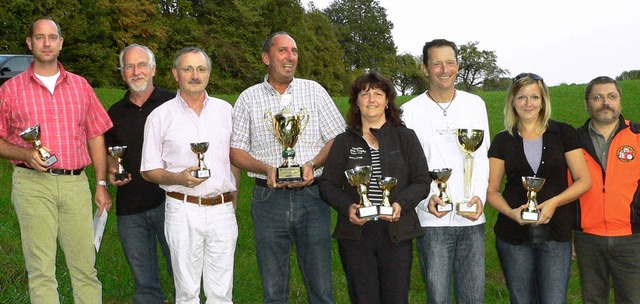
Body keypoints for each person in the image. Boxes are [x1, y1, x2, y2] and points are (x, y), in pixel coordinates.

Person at [0, 17, 112, 303]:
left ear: (61, 43)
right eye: (40, 37)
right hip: (31, 185)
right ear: (29, 43)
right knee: (41, 270)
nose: (46, 43)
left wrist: (100, 184)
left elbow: (96, 135)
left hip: (75, 185)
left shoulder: (80, 86)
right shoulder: (10, 90)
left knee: (86, 268)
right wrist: (26, 153)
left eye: (52, 37)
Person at [230, 31, 345, 303]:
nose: (290, 56)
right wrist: (267, 169)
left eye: (294, 51)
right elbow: (236, 151)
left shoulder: (314, 91)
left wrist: (313, 164)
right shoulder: (248, 98)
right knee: (273, 289)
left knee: (321, 287)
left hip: (313, 198)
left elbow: (337, 137)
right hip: (268, 200)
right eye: (282, 51)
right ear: (266, 57)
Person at [318, 72, 430, 303]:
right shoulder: (344, 141)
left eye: (378, 94)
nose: (371, 99)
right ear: (356, 102)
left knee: (396, 298)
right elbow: (327, 185)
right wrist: (348, 207)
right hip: (357, 235)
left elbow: (422, 181)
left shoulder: (405, 137)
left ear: (387, 101)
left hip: (396, 232)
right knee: (363, 298)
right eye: (365, 93)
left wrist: (400, 204)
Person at [140, 47, 239, 303]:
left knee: (222, 292)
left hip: (222, 209)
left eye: (201, 69)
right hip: (182, 208)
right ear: (175, 74)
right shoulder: (160, 116)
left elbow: (235, 160)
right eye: (188, 69)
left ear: (209, 74)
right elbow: (148, 170)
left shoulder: (226, 111)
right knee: (186, 292)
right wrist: (178, 178)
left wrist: (233, 200)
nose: (195, 75)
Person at [486, 73, 591, 303]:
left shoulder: (564, 133)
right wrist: (511, 213)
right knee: (522, 299)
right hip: (513, 235)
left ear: (543, 100)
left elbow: (584, 180)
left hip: (556, 232)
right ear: (512, 101)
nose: (528, 103)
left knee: (554, 300)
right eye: (521, 97)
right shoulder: (502, 140)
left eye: (534, 97)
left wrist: (554, 202)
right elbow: (492, 190)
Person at [400, 38, 490, 303]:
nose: (444, 69)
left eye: (450, 62)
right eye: (436, 63)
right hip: (433, 220)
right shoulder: (409, 111)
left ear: (458, 66)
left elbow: (483, 157)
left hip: (471, 218)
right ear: (424, 68)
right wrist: (426, 201)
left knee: (473, 297)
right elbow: (407, 167)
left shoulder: (476, 105)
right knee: (438, 297)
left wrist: (480, 199)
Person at [104, 44, 175, 303]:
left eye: (142, 65)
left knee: (183, 276)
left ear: (154, 69)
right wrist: (112, 167)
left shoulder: (173, 104)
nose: (137, 72)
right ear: (122, 73)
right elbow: (111, 154)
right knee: (144, 284)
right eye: (129, 67)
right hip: (130, 208)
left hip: (171, 203)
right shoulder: (114, 112)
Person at [573, 76, 640, 303]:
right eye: (597, 97)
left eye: (611, 96)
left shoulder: (638, 136)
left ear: (620, 101)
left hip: (632, 238)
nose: (605, 102)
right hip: (588, 238)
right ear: (587, 103)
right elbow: (565, 190)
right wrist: (570, 233)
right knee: (593, 300)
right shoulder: (573, 141)